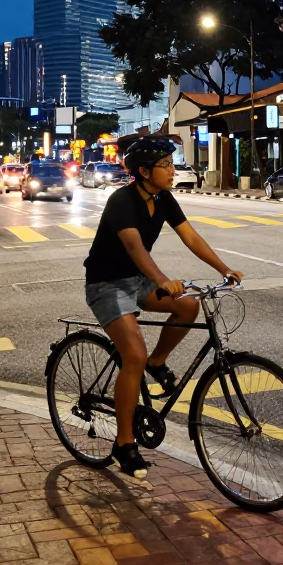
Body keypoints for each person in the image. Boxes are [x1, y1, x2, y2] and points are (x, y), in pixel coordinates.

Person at [83, 135, 242, 479]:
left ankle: (158, 362)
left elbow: (191, 236)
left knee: (187, 307)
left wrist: (223, 269)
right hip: (107, 284)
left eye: (172, 163)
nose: (173, 170)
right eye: (165, 165)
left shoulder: (164, 199)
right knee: (133, 356)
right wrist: (163, 279)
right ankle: (124, 444)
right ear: (144, 171)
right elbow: (135, 248)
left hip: (137, 281)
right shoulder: (122, 201)